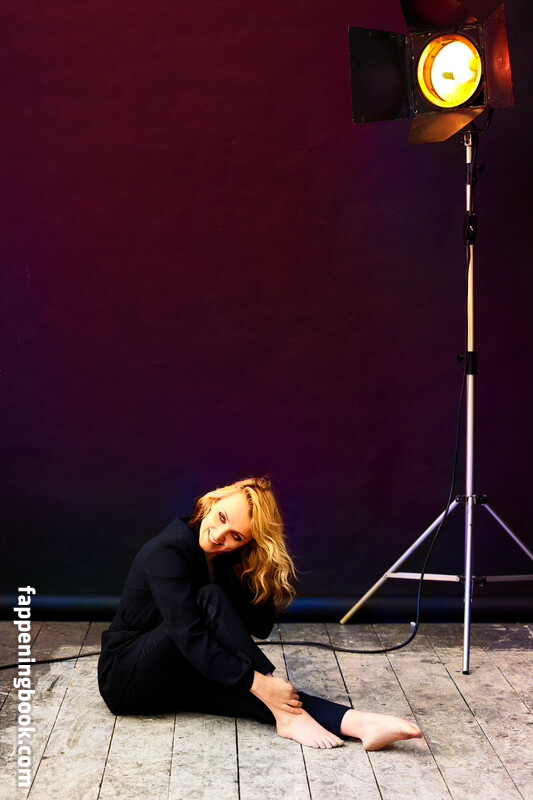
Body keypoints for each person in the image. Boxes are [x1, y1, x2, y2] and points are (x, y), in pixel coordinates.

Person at [97, 476, 422, 750]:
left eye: (236, 536)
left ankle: (359, 723)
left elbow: (260, 625)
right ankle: (277, 697)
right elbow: (190, 635)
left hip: (177, 672)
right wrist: (261, 681)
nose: (219, 536)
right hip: (127, 679)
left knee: (261, 699)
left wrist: (257, 562)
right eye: (222, 518)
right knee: (218, 614)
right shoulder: (169, 549)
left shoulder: (221, 557)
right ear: (212, 501)